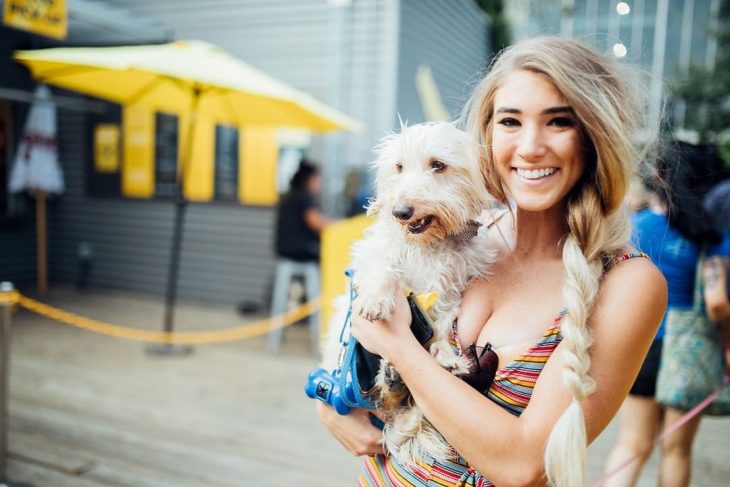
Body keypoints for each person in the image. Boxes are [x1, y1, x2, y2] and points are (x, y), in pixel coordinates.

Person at [316, 36, 667, 486]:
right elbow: (359, 315)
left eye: (558, 121)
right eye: (510, 121)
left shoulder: (627, 281)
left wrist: (400, 348)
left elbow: (524, 467)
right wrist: (328, 399)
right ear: (486, 136)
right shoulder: (471, 234)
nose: (530, 146)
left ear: (596, 136)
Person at [603, 143, 730, 487]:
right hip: (689, 347)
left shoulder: (632, 226)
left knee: (632, 444)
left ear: (658, 178)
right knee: (676, 450)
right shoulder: (708, 235)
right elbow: (717, 301)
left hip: (640, 343)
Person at [274, 159, 328, 262]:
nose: (320, 185)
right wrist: (341, 225)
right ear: (310, 180)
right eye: (318, 180)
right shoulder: (304, 196)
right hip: (299, 250)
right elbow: (316, 224)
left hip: (285, 249)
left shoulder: (292, 194)